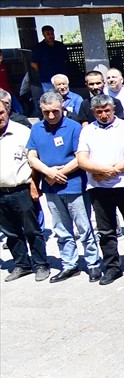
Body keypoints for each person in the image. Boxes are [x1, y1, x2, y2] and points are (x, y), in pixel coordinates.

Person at [76, 95, 124, 284]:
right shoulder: (87, 131)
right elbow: (82, 159)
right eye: (99, 112)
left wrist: (111, 171)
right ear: (94, 112)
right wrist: (103, 171)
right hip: (98, 187)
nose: (103, 115)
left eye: (106, 110)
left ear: (113, 109)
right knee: (106, 230)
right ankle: (112, 267)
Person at [26, 92, 101, 282]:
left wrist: (60, 173)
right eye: (46, 112)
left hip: (74, 185)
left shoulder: (74, 127)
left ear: (63, 109)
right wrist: (48, 172)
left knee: (84, 227)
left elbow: (80, 157)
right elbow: (32, 156)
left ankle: (93, 263)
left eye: (55, 111)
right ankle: (70, 264)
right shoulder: (36, 129)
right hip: (51, 188)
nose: (51, 116)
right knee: (61, 229)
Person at [0, 97, 49, 281]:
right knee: (10, 233)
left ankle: (41, 264)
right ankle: (22, 265)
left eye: (1, 112)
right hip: (0, 192)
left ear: (7, 110)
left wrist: (35, 185)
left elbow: (34, 162)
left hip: (22, 189)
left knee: (32, 230)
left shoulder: (22, 132)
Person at [30, 25, 69, 97]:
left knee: (64, 97)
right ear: (43, 35)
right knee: (51, 98)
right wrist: (43, 71)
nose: (51, 36)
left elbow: (66, 59)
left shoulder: (60, 45)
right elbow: (33, 63)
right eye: (48, 34)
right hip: (47, 78)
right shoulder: (39, 47)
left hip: (61, 77)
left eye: (52, 34)